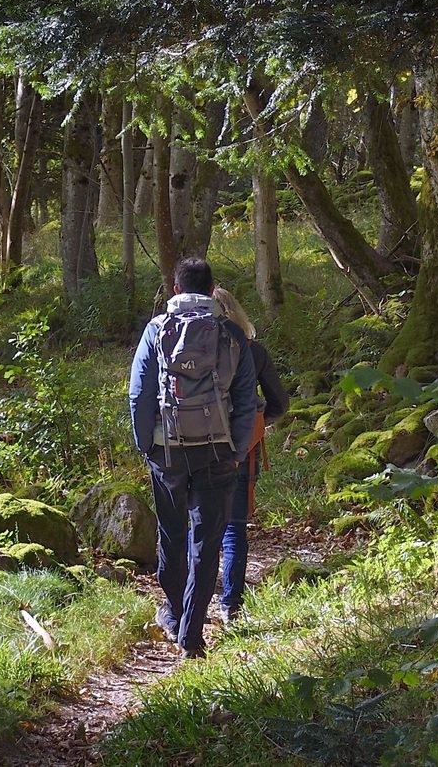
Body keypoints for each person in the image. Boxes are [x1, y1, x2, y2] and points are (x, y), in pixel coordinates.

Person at [128, 255, 257, 657]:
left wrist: (145, 443)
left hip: (167, 452)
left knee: (171, 534)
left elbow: (139, 393)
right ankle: (192, 636)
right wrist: (236, 450)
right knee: (207, 541)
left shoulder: (155, 331)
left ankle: (174, 610)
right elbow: (246, 399)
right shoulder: (231, 334)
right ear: (211, 289)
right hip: (217, 451)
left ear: (176, 289)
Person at [210, 285, 291, 625]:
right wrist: (259, 422)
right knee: (234, 528)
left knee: (198, 525)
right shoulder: (253, 351)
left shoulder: (188, 349)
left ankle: (190, 601)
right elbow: (280, 403)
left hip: (194, 445)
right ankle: (231, 605)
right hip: (243, 448)